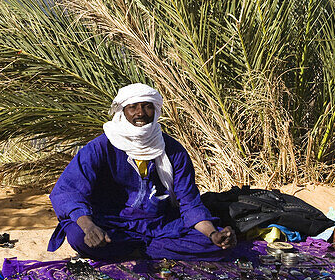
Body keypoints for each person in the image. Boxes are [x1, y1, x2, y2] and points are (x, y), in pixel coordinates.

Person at [47, 83, 236, 261]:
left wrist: (213, 234)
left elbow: (189, 202)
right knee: (79, 236)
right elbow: (68, 191)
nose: (140, 113)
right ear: (123, 112)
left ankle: (137, 250)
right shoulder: (101, 147)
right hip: (110, 224)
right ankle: (147, 249)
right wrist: (89, 227)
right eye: (133, 107)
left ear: (155, 110)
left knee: (212, 245)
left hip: (159, 226)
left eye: (147, 106)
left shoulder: (173, 150)